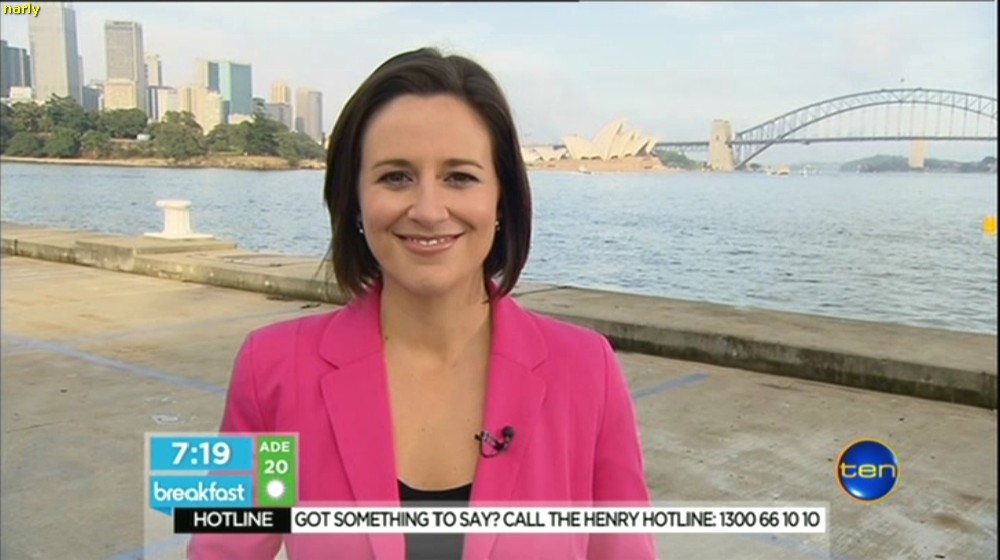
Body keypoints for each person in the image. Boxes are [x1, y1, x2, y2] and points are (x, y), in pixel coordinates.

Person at [189, 46, 656, 560]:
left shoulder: (587, 372)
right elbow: (221, 552)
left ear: (501, 199)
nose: (429, 210)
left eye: (460, 177)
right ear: (354, 200)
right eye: (396, 177)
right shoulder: (272, 371)